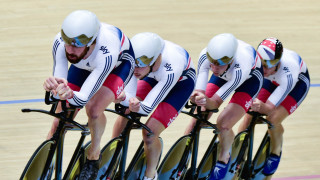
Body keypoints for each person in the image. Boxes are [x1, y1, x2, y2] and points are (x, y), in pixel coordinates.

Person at [42, 10, 135, 180]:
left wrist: (69, 94)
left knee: (93, 109)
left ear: (91, 42)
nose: (70, 50)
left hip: (117, 67)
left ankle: (94, 156)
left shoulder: (107, 52)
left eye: (76, 46)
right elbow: (60, 85)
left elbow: (82, 98)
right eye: (67, 43)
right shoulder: (60, 42)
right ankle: (46, 163)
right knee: (59, 119)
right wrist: (52, 88)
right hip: (84, 64)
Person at [111, 32, 196, 180]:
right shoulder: (139, 64)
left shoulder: (171, 67)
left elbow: (147, 108)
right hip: (152, 77)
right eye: (134, 64)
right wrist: (124, 99)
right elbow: (129, 95)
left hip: (180, 85)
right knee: (125, 113)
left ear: (156, 59)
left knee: (150, 133)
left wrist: (134, 105)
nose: (136, 69)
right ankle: (110, 160)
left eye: (141, 64)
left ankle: (150, 175)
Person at [184, 33, 264, 179]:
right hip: (224, 74)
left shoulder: (241, 66)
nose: (213, 67)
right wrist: (196, 96)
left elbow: (214, 103)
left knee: (224, 124)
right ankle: (181, 158)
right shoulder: (207, 57)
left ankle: (224, 157)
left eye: (219, 63)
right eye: (212, 62)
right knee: (197, 118)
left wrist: (205, 101)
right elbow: (200, 91)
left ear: (231, 59)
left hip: (249, 81)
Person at [238, 37, 310, 178]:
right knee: (249, 114)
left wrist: (262, 107)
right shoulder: (260, 66)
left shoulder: (289, 73)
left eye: (269, 65)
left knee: (273, 118)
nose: (264, 69)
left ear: (278, 62)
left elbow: (269, 107)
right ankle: (238, 153)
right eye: (262, 64)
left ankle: (275, 152)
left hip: (297, 85)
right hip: (271, 81)